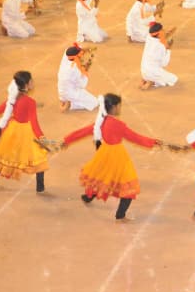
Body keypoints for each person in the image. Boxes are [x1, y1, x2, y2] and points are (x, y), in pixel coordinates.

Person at [63, 93, 172, 221]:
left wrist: (66, 140)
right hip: (117, 156)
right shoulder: (118, 125)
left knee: (100, 176)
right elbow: (135, 137)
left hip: (103, 153)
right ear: (114, 107)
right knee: (129, 186)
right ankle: (120, 215)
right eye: (119, 105)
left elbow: (82, 132)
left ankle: (88, 197)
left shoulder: (101, 122)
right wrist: (153, 142)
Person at [0, 71, 49, 192]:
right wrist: (42, 138)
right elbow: (34, 122)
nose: (33, 83)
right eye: (31, 81)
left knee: (5, 156)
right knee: (39, 157)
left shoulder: (13, 98)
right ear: (26, 85)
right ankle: (40, 188)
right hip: (25, 132)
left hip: (11, 131)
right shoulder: (30, 102)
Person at [57, 45, 99, 112]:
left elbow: (68, 49)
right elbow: (82, 85)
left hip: (61, 92)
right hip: (71, 93)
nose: (82, 55)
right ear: (76, 56)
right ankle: (71, 104)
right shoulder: (74, 69)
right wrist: (85, 72)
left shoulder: (65, 59)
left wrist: (85, 49)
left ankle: (64, 101)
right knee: (95, 102)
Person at [140, 22, 178, 89]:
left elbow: (159, 36)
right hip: (152, 72)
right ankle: (152, 82)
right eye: (162, 30)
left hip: (143, 70)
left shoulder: (149, 37)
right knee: (173, 79)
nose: (163, 31)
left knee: (150, 68)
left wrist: (168, 33)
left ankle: (145, 79)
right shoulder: (160, 47)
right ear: (159, 33)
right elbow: (164, 64)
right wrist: (168, 49)